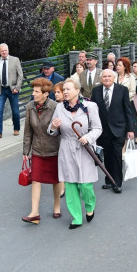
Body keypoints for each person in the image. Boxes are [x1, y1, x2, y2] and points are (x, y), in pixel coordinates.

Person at [49, 80, 102, 229]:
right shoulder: (59, 107)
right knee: (70, 184)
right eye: (63, 89)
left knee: (85, 185)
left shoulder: (90, 106)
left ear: (77, 91)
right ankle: (76, 217)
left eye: (68, 89)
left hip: (84, 148)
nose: (65, 92)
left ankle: (90, 205)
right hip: (66, 148)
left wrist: (88, 138)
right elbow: (52, 130)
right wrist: (53, 127)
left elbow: (98, 128)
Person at [21, 78, 63, 224]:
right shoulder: (29, 107)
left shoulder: (56, 107)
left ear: (45, 94)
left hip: (54, 149)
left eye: (36, 91)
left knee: (55, 180)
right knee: (36, 180)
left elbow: (61, 131)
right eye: (33, 91)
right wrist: (26, 152)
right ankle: (34, 213)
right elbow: (27, 132)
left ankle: (57, 205)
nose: (33, 94)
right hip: (37, 149)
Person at [91, 68, 134, 194]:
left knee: (116, 156)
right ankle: (108, 180)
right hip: (103, 130)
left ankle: (117, 183)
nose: (107, 78)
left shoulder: (122, 90)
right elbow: (93, 111)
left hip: (118, 129)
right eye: (104, 76)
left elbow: (128, 110)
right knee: (107, 157)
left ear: (114, 78)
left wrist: (130, 129)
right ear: (101, 78)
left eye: (109, 76)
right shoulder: (96, 91)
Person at [0, 43, 24, 139]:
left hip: (12, 90)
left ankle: (16, 128)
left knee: (15, 111)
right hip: (0, 90)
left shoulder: (15, 60)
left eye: (5, 50)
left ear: (8, 50)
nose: (4, 52)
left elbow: (20, 75)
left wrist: (17, 88)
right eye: (2, 51)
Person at [117, 57, 137, 144]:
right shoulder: (114, 76)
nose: (117, 67)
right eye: (117, 65)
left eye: (120, 65)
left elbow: (133, 91)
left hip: (128, 102)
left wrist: (122, 97)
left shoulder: (130, 77)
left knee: (133, 121)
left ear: (125, 66)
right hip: (116, 104)